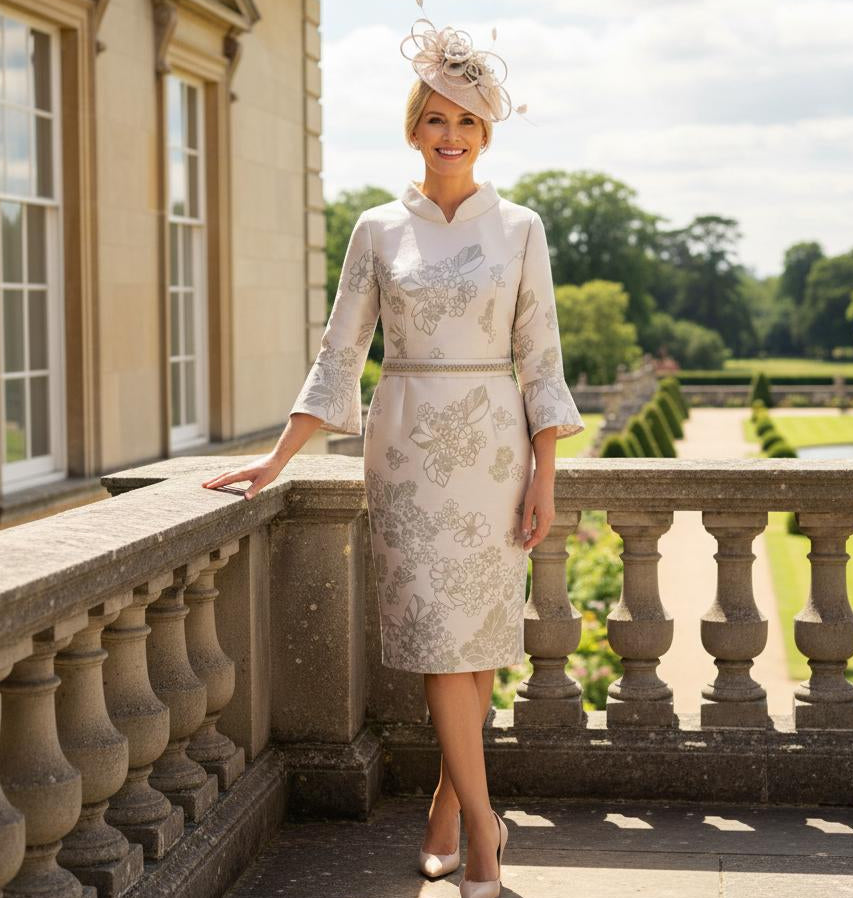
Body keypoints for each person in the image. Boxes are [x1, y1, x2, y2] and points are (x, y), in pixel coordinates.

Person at [202, 7, 584, 896]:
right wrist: (275, 462)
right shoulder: (377, 229)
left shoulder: (521, 227)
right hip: (406, 448)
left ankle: (450, 811)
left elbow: (541, 360)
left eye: (466, 120)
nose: (449, 135)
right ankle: (486, 834)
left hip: (494, 451)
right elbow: (339, 355)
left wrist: (545, 476)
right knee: (444, 646)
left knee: (476, 643)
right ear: (414, 125)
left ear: (485, 132)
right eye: (435, 117)